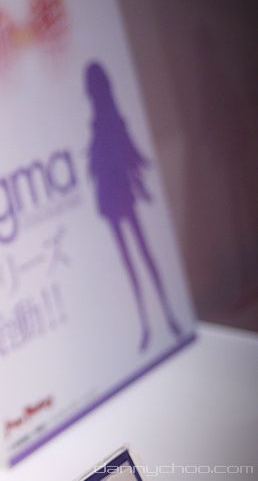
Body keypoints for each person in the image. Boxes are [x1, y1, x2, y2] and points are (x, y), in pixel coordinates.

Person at [85, 61, 180, 352]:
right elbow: (108, 162)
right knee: (134, 260)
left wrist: (141, 185)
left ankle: (165, 317)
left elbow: (126, 157)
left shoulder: (111, 122)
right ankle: (149, 323)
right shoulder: (102, 123)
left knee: (143, 257)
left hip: (119, 194)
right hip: (112, 196)